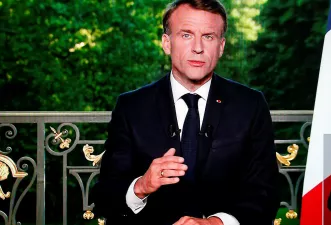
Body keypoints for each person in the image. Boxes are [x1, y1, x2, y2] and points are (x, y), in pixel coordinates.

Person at [92, 0, 280, 224]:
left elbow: (265, 193)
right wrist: (142, 186)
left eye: (208, 36)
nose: (198, 48)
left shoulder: (251, 105)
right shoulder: (131, 107)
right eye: (186, 35)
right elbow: (105, 196)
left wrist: (216, 223)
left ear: (221, 46)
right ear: (166, 43)